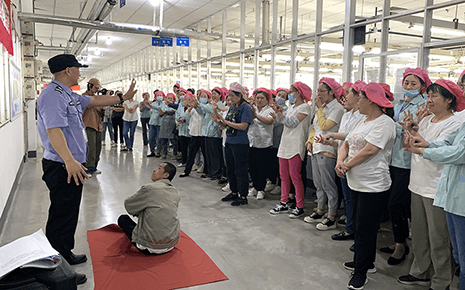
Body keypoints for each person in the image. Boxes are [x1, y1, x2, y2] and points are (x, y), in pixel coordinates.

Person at [37, 54, 137, 284]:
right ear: (67, 70)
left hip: (71, 164)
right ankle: (56, 269)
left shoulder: (67, 93)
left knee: (70, 211)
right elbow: (54, 131)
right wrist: (70, 161)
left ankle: (64, 252)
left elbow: (93, 102)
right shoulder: (53, 96)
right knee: (61, 214)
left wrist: (123, 97)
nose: (80, 73)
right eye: (77, 69)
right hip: (63, 165)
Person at [397, 79, 464, 290]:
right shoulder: (426, 121)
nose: (430, 99)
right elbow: (412, 145)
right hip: (417, 183)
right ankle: (420, 271)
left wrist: (421, 149)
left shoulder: (455, 122)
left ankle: (441, 280)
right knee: (418, 234)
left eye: (435, 95)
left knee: (439, 238)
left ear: (449, 100)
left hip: (436, 187)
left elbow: (446, 153)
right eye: (429, 95)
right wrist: (411, 131)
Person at [337, 83, 395, 290]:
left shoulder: (385, 123)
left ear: (371, 100)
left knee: (365, 229)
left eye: (360, 98)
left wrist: (346, 165)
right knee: (362, 226)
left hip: (373, 184)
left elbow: (370, 150)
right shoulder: (362, 120)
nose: (357, 102)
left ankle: (360, 272)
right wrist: (340, 162)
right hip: (355, 181)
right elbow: (346, 143)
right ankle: (365, 262)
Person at [381, 68, 431, 265]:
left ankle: (402, 245)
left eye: (413, 84)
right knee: (396, 205)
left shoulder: (424, 106)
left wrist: (401, 127)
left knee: (397, 204)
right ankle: (398, 241)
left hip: (410, 162)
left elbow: (421, 132)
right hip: (394, 159)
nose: (408, 87)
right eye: (406, 83)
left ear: (422, 87)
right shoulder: (400, 104)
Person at [315, 80, 366, 240]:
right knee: (349, 198)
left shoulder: (363, 117)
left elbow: (350, 137)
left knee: (356, 201)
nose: (345, 96)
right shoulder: (347, 115)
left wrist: (331, 135)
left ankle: (354, 230)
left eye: (349, 92)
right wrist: (329, 142)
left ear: (359, 97)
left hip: (354, 162)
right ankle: (350, 229)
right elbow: (342, 141)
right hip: (342, 160)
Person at [305, 77, 345, 230]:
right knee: (318, 184)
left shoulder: (337, 109)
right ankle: (320, 210)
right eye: (318, 91)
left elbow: (326, 126)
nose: (319, 94)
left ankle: (331, 215)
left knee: (329, 185)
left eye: (322, 91)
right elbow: (315, 127)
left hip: (328, 150)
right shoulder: (321, 108)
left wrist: (320, 109)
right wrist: (309, 141)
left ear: (332, 92)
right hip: (315, 149)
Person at [269, 82, 312, 218]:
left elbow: (292, 122)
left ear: (299, 93)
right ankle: (283, 201)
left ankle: (299, 205)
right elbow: (284, 121)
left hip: (295, 144)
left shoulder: (305, 107)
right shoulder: (292, 107)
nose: (289, 95)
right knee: (283, 176)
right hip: (285, 143)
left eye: (292, 91)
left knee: (295, 176)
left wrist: (281, 115)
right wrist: (278, 114)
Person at [117, 162, 180, 255]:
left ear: (165, 175)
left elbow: (129, 205)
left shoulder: (149, 188)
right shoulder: (175, 192)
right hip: (170, 244)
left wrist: (139, 212)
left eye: (159, 168)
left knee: (123, 219)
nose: (154, 170)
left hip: (149, 247)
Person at [216, 82, 253, 206]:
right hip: (230, 141)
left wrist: (227, 122)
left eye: (232, 95)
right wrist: (222, 124)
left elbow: (243, 126)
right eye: (229, 95)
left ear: (240, 95)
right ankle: (234, 192)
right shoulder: (233, 107)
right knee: (230, 169)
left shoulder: (246, 107)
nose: (230, 98)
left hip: (240, 143)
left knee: (240, 170)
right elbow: (229, 123)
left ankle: (243, 195)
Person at [247, 88, 274, 200]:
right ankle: (254, 186)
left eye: (262, 98)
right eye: (257, 98)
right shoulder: (252, 109)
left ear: (267, 100)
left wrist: (256, 115)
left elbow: (269, 121)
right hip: (251, 142)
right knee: (252, 167)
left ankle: (261, 189)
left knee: (262, 168)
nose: (259, 100)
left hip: (264, 143)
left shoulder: (270, 110)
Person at [197, 88, 226, 180]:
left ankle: (216, 172)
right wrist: (196, 106)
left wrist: (199, 104)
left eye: (215, 94)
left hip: (215, 133)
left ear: (220, 95)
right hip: (207, 132)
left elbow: (211, 110)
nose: (213, 95)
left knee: (215, 154)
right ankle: (210, 171)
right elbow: (202, 112)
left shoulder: (220, 105)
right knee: (208, 153)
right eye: (212, 93)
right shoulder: (210, 104)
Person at [82, 78, 104, 176]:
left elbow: (99, 110)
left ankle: (94, 166)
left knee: (98, 147)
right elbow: (89, 106)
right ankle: (87, 168)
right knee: (91, 147)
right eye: (96, 88)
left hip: (98, 125)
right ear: (90, 86)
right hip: (89, 124)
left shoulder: (96, 97)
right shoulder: (84, 97)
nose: (97, 90)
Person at [158, 93, 178, 159]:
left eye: (171, 98)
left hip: (172, 124)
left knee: (173, 140)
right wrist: (161, 113)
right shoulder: (163, 105)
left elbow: (173, 111)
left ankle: (175, 154)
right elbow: (160, 113)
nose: (169, 100)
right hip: (164, 124)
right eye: (168, 98)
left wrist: (165, 112)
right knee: (163, 140)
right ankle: (164, 154)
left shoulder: (175, 106)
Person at [147, 90, 164, 157]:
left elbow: (160, 109)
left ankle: (158, 151)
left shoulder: (164, 104)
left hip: (160, 123)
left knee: (159, 138)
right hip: (152, 122)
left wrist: (151, 106)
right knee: (151, 138)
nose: (159, 97)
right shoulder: (153, 103)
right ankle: (152, 151)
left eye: (161, 95)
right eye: (158, 96)